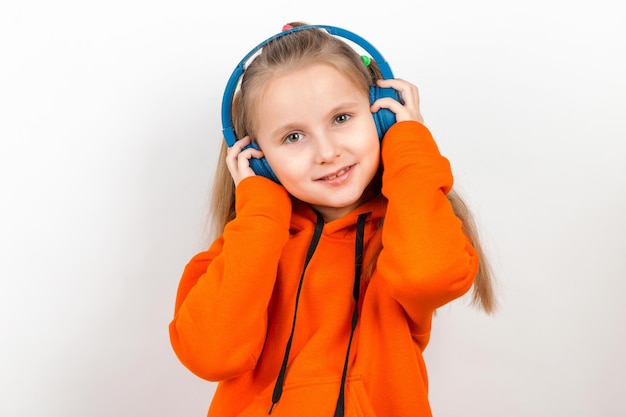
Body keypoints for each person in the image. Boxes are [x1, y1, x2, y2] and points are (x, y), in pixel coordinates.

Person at [169, 22, 496, 417]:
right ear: (257, 158)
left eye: (341, 118)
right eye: (293, 137)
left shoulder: (406, 229)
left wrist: (408, 146)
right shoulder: (244, 245)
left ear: (382, 116)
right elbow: (211, 356)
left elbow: (428, 274)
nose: (326, 152)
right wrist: (259, 214)